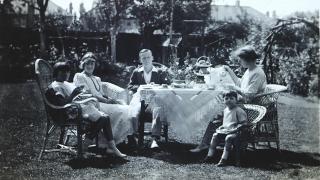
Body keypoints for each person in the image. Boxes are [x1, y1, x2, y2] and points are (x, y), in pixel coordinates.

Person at [190, 45, 266, 153]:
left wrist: (233, 88)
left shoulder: (257, 73)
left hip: (248, 107)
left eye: (241, 60)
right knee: (215, 108)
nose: (240, 62)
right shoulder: (250, 70)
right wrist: (229, 70)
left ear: (247, 59)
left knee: (216, 113)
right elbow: (240, 83)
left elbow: (249, 95)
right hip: (240, 102)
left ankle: (207, 143)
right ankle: (209, 142)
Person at [49, 61, 126, 158]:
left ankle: (107, 147)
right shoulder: (56, 86)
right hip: (69, 112)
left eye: (67, 72)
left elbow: (75, 95)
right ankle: (92, 147)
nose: (66, 74)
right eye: (63, 72)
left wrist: (82, 94)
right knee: (104, 118)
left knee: (104, 118)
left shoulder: (65, 83)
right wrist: (74, 94)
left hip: (77, 108)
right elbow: (62, 103)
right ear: (56, 73)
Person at [73, 52, 138, 148]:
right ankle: (121, 139)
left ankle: (127, 137)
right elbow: (87, 94)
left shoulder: (97, 78)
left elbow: (101, 93)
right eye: (87, 64)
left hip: (102, 102)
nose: (90, 66)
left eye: (92, 64)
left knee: (125, 106)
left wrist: (110, 99)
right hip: (92, 104)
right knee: (122, 110)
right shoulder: (80, 76)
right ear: (83, 64)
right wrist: (105, 101)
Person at [128, 49, 169, 149]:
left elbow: (167, 86)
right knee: (133, 114)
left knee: (158, 110)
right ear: (140, 60)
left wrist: (157, 86)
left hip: (155, 99)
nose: (146, 59)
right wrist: (142, 87)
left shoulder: (160, 72)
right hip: (140, 99)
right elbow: (130, 86)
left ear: (152, 58)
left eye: (148, 57)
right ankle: (134, 136)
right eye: (143, 58)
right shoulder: (137, 72)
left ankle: (154, 139)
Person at [202, 91, 247, 166]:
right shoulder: (226, 110)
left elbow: (244, 123)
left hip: (237, 132)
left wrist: (235, 129)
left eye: (231, 98)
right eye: (226, 98)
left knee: (228, 138)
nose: (229, 100)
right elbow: (226, 122)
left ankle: (224, 159)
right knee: (215, 135)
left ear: (236, 100)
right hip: (226, 131)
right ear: (223, 100)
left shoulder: (238, 110)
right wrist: (221, 126)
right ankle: (210, 155)